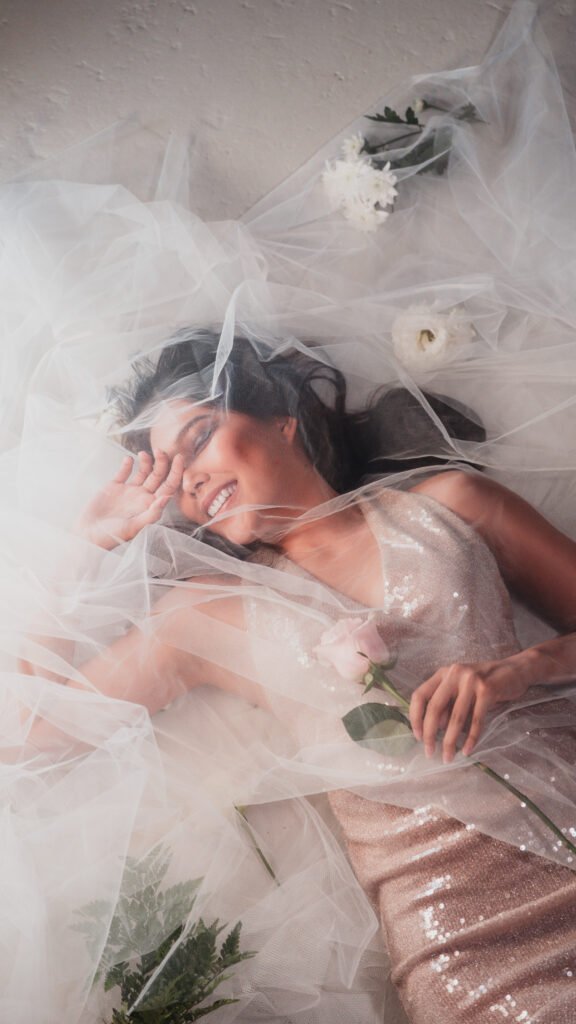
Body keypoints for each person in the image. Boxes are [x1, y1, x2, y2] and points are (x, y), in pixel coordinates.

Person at [4, 2, 576, 1022]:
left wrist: (521, 665)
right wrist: (85, 555)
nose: (183, 478)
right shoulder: (202, 620)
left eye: (195, 440)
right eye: (161, 473)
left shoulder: (449, 504)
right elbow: (22, 732)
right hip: (459, 945)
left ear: (279, 414)